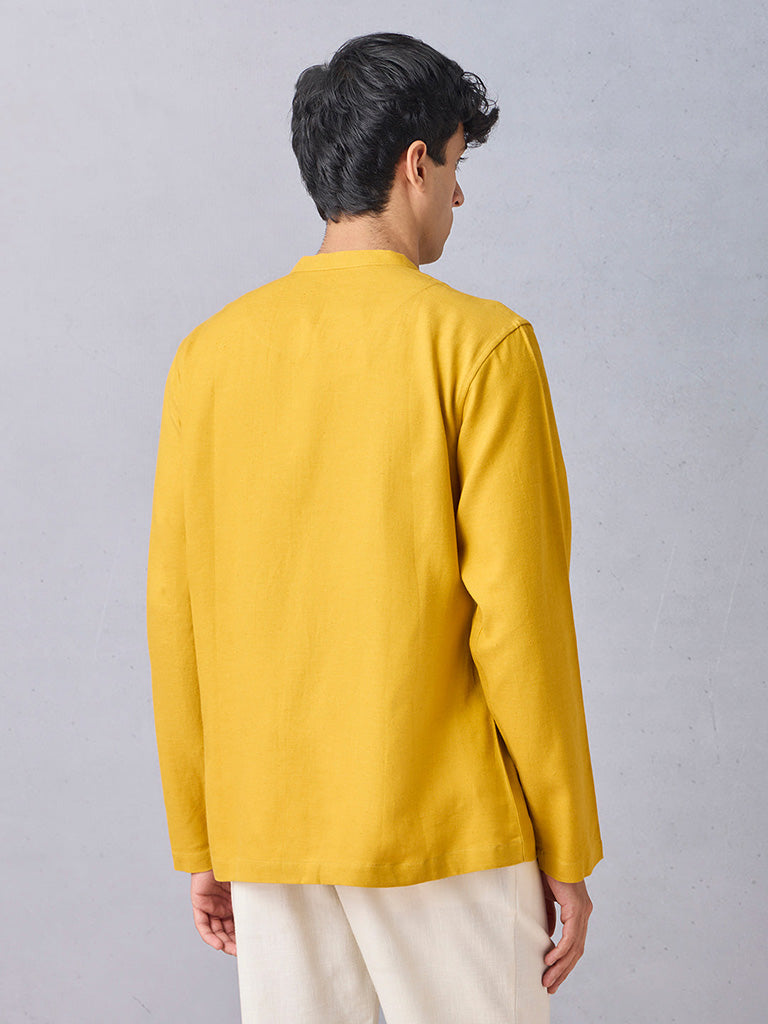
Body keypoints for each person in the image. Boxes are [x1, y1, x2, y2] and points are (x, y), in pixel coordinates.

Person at [146, 30, 604, 1024]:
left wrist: (203, 835)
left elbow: (178, 617)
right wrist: (566, 844)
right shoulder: (481, 345)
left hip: (270, 829)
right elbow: (521, 622)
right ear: (415, 164)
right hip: (444, 830)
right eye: (456, 165)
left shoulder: (208, 357)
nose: (459, 196)